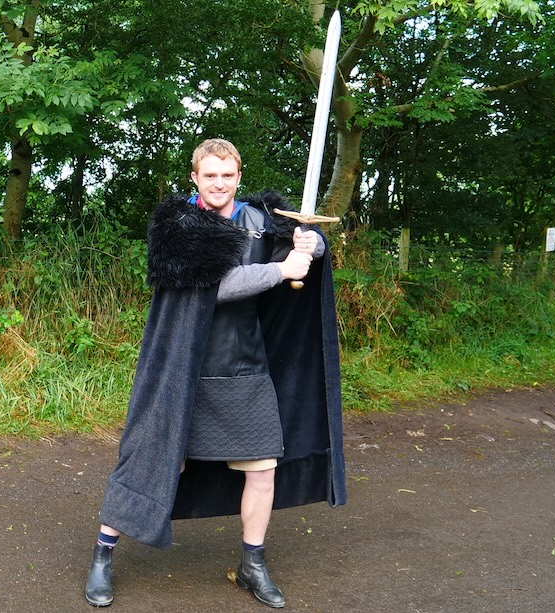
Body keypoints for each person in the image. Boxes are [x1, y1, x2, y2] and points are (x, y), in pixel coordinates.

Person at [84, 138, 346, 608]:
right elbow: (218, 286)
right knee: (149, 460)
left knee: (263, 469)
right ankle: (103, 556)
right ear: (195, 178)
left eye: (227, 175)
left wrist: (313, 243)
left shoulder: (259, 218)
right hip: (183, 369)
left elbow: (306, 248)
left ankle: (253, 564)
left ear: (238, 177)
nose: (219, 183)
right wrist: (282, 268)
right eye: (210, 175)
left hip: (245, 368)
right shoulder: (177, 224)